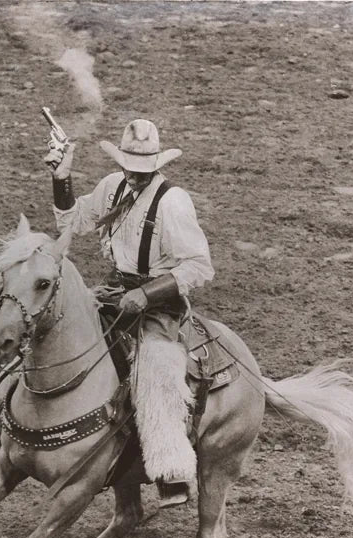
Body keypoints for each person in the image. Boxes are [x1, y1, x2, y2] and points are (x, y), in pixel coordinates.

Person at [43, 119, 213, 506]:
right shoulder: (111, 187)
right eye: (130, 170)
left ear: (156, 167)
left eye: (143, 172)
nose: (135, 178)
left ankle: (171, 470)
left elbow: (198, 265)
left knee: (155, 368)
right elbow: (74, 222)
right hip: (114, 290)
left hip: (159, 303)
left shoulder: (173, 201)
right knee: (53, 327)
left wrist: (148, 294)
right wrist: (62, 179)